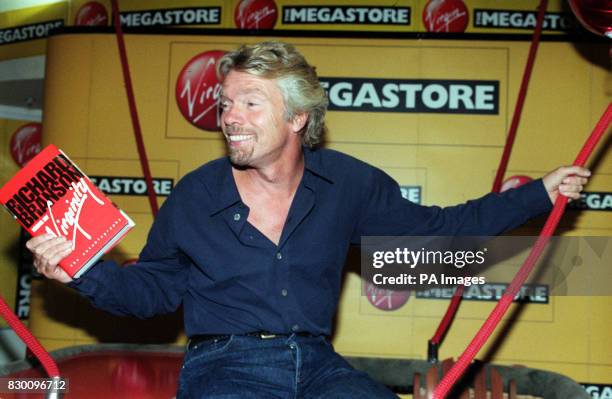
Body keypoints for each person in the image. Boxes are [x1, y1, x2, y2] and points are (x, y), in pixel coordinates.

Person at [27, 41, 590, 399]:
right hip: (227, 367)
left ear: (298, 117)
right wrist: (80, 268)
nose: (229, 118)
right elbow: (150, 292)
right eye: (224, 104)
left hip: (322, 366)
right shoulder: (196, 195)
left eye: (250, 103)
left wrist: (537, 194)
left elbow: (438, 228)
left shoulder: (348, 183)